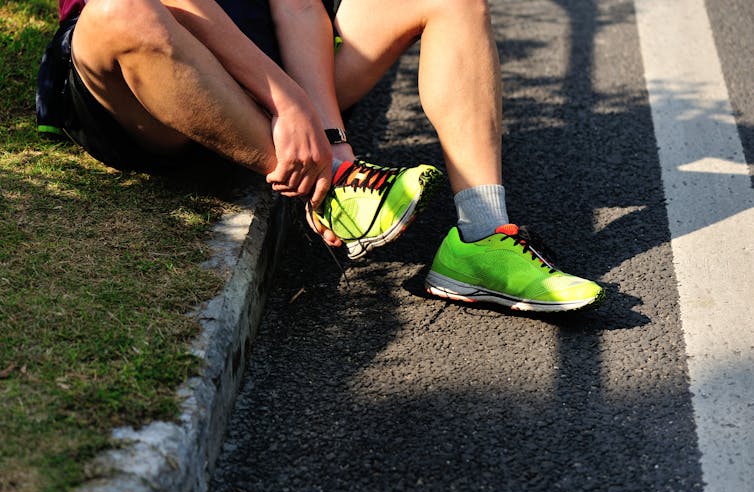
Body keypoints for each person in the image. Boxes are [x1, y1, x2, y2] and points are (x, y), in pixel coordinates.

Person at [37, 0, 604, 312]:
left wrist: (328, 131)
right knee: (121, 9)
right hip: (148, 85)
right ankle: (334, 187)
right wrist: (286, 101)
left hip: (264, 73)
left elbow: (301, 8)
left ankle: (481, 239)